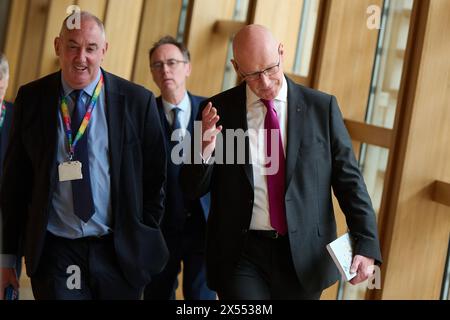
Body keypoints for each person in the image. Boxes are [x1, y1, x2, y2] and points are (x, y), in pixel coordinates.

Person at [180, 24, 382, 300]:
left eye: (270, 69)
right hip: (240, 254)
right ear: (236, 67)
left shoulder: (321, 109)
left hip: (304, 254)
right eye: (252, 74)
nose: (264, 82)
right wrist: (203, 150)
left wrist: (366, 243)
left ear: (282, 52)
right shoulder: (218, 112)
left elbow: (350, 182)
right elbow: (191, 188)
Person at [0, 11, 168, 300]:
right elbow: (15, 185)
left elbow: (155, 181)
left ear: (104, 50)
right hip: (57, 252)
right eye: (72, 46)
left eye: (91, 48)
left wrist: (140, 234)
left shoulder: (137, 103)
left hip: (118, 253)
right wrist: (6, 260)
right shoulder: (32, 98)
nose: (81, 57)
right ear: (57, 47)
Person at [143, 36, 215, 300]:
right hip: (161, 228)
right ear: (152, 73)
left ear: (188, 67)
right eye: (157, 65)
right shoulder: (144, 113)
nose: (165, 70)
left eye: (172, 62)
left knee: (201, 299)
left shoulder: (211, 110)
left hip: (202, 228)